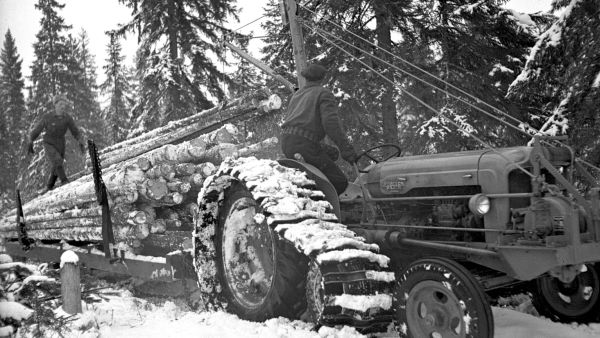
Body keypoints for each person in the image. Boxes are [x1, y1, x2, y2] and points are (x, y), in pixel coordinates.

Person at [281, 63, 358, 194]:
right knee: (339, 181)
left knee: (333, 153)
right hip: (304, 144)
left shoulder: (296, 95)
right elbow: (331, 124)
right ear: (323, 78)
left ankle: (311, 188)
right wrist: (347, 150)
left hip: (288, 142)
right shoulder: (323, 93)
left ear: (306, 78)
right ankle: (323, 208)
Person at [28, 93, 86, 191]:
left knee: (56, 166)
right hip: (49, 143)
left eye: (64, 105)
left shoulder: (67, 118)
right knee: (57, 160)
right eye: (60, 104)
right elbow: (38, 129)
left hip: (60, 143)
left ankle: (49, 186)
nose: (62, 107)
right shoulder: (48, 117)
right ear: (55, 105)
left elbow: (75, 131)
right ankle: (65, 182)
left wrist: (80, 141)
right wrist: (30, 140)